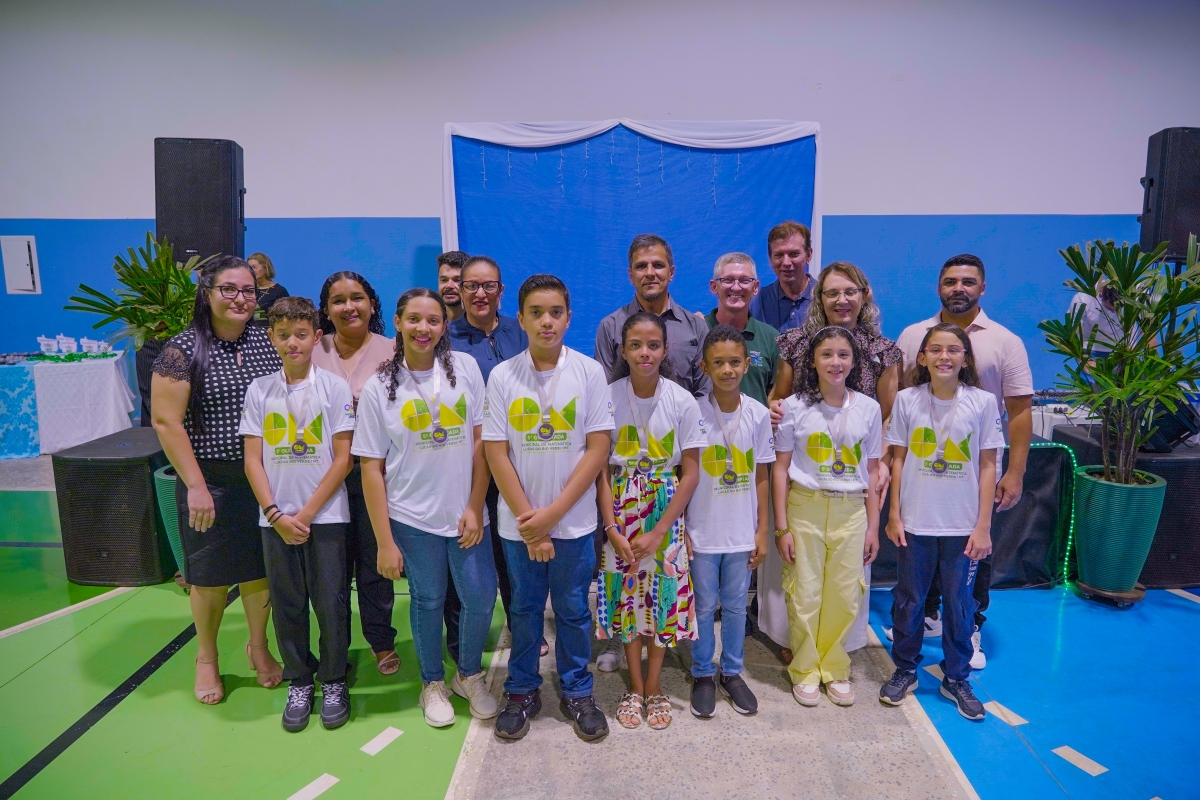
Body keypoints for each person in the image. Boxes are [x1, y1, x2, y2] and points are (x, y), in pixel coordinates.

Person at [354, 288, 498, 728]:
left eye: (433, 320)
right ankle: (432, 683)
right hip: (412, 518)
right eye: (414, 319)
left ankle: (468, 675)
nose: (423, 328)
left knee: (480, 598)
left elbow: (481, 442)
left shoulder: (466, 369)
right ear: (397, 323)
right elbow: (371, 468)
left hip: (466, 513)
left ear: (444, 325)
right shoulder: (379, 387)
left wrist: (475, 504)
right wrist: (384, 542)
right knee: (428, 599)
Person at [484, 274, 613, 742]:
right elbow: (496, 452)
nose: (546, 321)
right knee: (524, 609)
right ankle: (521, 690)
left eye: (555, 312)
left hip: (573, 523)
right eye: (536, 313)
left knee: (574, 610)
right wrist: (532, 525)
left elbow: (597, 449)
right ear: (519, 319)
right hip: (519, 525)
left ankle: (578, 690)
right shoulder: (503, 376)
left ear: (568, 318)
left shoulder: (589, 372)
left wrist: (552, 517)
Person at [151, 255, 285, 705]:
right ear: (206, 293)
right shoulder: (182, 350)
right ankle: (206, 657)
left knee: (259, 571)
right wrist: (196, 486)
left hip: (263, 478)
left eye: (248, 290)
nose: (240, 298)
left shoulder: (267, 341)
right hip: (210, 480)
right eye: (229, 289)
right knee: (208, 577)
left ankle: (258, 647)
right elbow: (166, 422)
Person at [893, 254, 1033, 669]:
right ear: (938, 287)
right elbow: (899, 398)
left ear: (982, 288)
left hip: (971, 477)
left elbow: (1020, 411)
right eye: (951, 281)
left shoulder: (1005, 341)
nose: (959, 288)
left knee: (971, 561)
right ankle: (925, 620)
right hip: (922, 477)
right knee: (918, 573)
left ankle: (970, 627)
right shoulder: (912, 335)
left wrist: (1015, 471)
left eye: (968, 282)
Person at [765, 262, 901, 660]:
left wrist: (880, 466)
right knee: (798, 571)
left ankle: (836, 646)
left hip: (855, 477)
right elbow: (779, 398)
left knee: (845, 576)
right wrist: (773, 409)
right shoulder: (794, 343)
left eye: (850, 291)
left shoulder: (884, 351)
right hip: (804, 472)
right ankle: (794, 641)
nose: (841, 299)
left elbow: (889, 415)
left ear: (864, 296)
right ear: (818, 298)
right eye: (831, 292)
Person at [241, 296, 356, 732]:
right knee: (288, 604)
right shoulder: (259, 391)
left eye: (302, 334)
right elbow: (252, 460)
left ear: (316, 337)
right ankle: (299, 680)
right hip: (275, 521)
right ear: (271, 337)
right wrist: (275, 514)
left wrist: (304, 515)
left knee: (331, 602)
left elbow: (343, 458)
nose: (293, 343)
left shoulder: (334, 388)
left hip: (325, 519)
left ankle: (334, 679)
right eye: (284, 335)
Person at [880, 323, 1004, 721]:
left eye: (953, 350)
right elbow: (898, 459)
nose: (944, 356)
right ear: (922, 357)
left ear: (965, 358)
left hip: (962, 527)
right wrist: (894, 513)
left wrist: (983, 526)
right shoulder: (907, 400)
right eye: (935, 349)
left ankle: (956, 677)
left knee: (959, 604)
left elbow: (988, 466)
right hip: (915, 523)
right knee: (910, 601)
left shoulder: (982, 402)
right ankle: (905, 669)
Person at [596, 312, 704, 731]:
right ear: (622, 350)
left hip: (665, 512)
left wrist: (661, 530)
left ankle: (655, 684)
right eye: (636, 345)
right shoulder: (607, 396)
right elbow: (602, 470)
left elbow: (690, 473)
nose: (645, 353)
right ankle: (635, 686)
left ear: (665, 349)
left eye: (653, 345)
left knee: (661, 600)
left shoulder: (682, 400)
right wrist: (610, 528)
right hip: (620, 511)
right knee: (628, 601)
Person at [772, 326, 881, 707]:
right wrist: (782, 527)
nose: (836, 362)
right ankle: (804, 669)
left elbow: (873, 470)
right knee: (804, 592)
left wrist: (873, 526)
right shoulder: (793, 407)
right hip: (805, 508)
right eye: (827, 355)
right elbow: (780, 469)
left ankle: (834, 667)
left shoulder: (869, 408)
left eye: (843, 355)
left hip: (851, 510)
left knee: (845, 594)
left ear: (854, 361)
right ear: (813, 361)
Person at [445, 255, 543, 661]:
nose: (480, 293)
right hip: (466, 469)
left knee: (515, 559)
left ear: (501, 290)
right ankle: (460, 642)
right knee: (465, 558)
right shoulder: (444, 337)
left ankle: (526, 631)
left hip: (521, 465)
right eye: (471, 286)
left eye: (489, 286)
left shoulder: (522, 332)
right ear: (459, 290)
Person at [311, 272, 400, 676]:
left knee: (373, 562)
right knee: (330, 570)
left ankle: (381, 641)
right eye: (338, 300)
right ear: (326, 310)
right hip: (323, 477)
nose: (349, 307)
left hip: (374, 474)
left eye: (357, 297)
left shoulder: (393, 350)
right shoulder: (312, 350)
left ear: (372, 304)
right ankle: (335, 647)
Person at [686, 325, 774, 720]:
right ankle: (703, 672)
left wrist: (762, 530)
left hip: (741, 532)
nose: (727, 370)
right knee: (704, 606)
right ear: (705, 367)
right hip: (702, 530)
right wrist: (682, 528)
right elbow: (682, 473)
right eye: (718, 363)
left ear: (746, 364)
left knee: (737, 607)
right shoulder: (691, 411)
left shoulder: (757, 413)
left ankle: (732, 671)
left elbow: (762, 474)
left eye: (735, 362)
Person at [594, 234, 710, 395]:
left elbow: (705, 394)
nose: (650, 273)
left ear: (671, 273)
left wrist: (684, 411)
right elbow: (604, 394)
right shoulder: (610, 327)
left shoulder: (697, 328)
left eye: (658, 265)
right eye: (641, 266)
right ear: (631, 276)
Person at [704, 252, 780, 407]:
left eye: (745, 280)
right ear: (714, 287)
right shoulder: (698, 330)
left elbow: (776, 395)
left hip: (756, 423)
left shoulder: (771, 338)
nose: (736, 287)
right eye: (728, 280)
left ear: (755, 287)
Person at [748, 221, 815, 333]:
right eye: (779, 255)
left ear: (809, 255)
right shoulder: (755, 303)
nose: (786, 262)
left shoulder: (826, 298)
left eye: (794, 254)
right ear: (770, 259)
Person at [248, 252, 289, 327]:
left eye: (254, 267)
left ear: (265, 268)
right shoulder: (247, 290)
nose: (251, 271)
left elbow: (286, 318)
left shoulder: (279, 291)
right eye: (249, 268)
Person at [437, 250, 470, 322]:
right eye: (444, 280)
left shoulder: (482, 324)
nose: (449, 286)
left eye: (457, 280)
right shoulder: (429, 324)